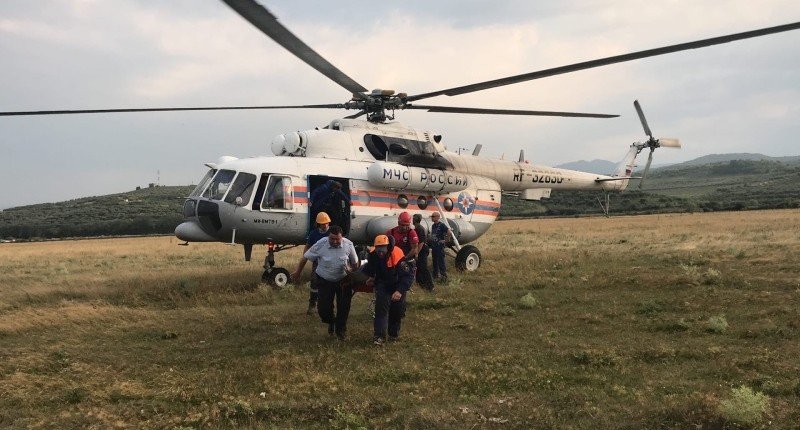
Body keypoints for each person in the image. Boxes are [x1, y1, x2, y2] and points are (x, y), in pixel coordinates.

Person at [303, 225, 359, 340]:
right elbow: (307, 256)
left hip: (343, 280)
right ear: (328, 237)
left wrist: (352, 271)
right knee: (323, 309)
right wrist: (298, 271)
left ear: (341, 237)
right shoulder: (321, 243)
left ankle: (340, 331)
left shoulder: (348, 245)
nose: (334, 241)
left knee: (343, 307)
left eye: (337, 239)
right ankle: (331, 321)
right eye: (331, 239)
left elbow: (355, 263)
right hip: (324, 279)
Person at [361, 235, 414, 345]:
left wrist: (399, 291)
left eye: (383, 249)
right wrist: (371, 278)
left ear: (388, 247)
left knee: (397, 311)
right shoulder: (373, 255)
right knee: (381, 310)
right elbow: (371, 269)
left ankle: (393, 335)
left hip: (398, 285)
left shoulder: (397, 255)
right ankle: (379, 337)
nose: (380, 252)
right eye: (378, 248)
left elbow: (408, 276)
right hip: (383, 285)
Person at [292, 211, 331, 315]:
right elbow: (307, 249)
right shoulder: (314, 234)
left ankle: (326, 306)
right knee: (314, 281)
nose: (325, 225)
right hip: (318, 262)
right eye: (323, 223)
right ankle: (312, 304)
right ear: (318, 224)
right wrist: (299, 268)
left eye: (327, 223)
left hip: (330, 262)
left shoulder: (332, 233)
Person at [412, 213, 434, 291]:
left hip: (422, 250)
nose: (412, 220)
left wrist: (417, 252)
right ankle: (421, 284)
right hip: (421, 250)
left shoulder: (419, 229)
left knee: (423, 268)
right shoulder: (416, 228)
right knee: (418, 267)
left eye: (413, 219)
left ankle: (430, 286)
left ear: (416, 220)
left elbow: (421, 242)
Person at [429, 212, 450, 282]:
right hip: (434, 246)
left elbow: (449, 231)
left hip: (439, 246)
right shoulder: (433, 226)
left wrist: (445, 240)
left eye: (433, 216)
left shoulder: (441, 225)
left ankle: (444, 277)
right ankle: (435, 275)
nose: (432, 218)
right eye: (432, 216)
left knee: (441, 261)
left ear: (438, 217)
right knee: (435, 261)